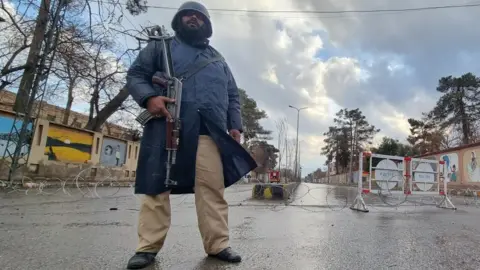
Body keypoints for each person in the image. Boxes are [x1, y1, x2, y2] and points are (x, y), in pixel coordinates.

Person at [125, 1, 257, 269]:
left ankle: (217, 244)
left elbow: (232, 95)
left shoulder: (219, 59)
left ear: (207, 24)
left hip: (209, 129)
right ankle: (147, 247)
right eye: (188, 14)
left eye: (199, 16)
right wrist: (149, 97)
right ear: (179, 20)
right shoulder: (160, 47)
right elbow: (136, 75)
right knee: (156, 186)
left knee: (212, 188)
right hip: (166, 124)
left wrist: (235, 125)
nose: (193, 18)